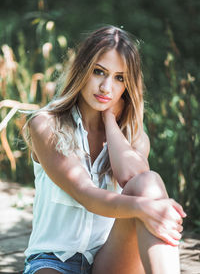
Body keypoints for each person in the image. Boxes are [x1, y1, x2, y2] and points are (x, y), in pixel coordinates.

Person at [23, 25, 186, 274]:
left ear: (128, 86)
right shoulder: (47, 124)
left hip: (110, 259)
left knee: (149, 182)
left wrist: (110, 122)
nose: (106, 88)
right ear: (82, 70)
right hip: (53, 261)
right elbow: (86, 194)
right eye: (99, 72)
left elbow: (133, 180)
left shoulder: (134, 137)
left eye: (119, 78)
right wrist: (145, 209)